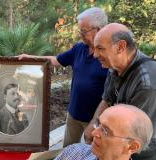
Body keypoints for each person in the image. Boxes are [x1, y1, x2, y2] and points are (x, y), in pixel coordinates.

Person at [19, 7, 108, 146]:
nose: (80, 35)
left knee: (94, 153)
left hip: (95, 120)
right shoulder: (79, 48)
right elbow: (55, 60)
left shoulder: (109, 55)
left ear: (99, 29)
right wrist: (29, 58)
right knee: (67, 150)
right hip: (73, 115)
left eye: (83, 31)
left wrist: (95, 123)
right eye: (80, 31)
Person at [84, 23, 156, 160]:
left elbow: (132, 133)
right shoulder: (114, 66)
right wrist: (93, 124)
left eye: (100, 48)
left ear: (120, 47)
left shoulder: (147, 83)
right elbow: (107, 99)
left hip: (142, 152)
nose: (95, 55)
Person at [55, 104, 153, 160]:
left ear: (132, 146)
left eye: (105, 131)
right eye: (98, 124)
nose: (94, 133)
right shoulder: (73, 152)